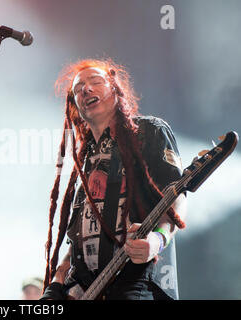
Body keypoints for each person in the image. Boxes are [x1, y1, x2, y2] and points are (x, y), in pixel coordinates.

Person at [41, 59, 187, 300]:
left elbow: (176, 195)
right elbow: (80, 239)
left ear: (115, 90)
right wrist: (56, 283)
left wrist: (157, 239)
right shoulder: (87, 159)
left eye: (96, 82)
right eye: (78, 89)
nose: (86, 89)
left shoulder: (148, 132)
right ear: (75, 107)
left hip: (136, 283)